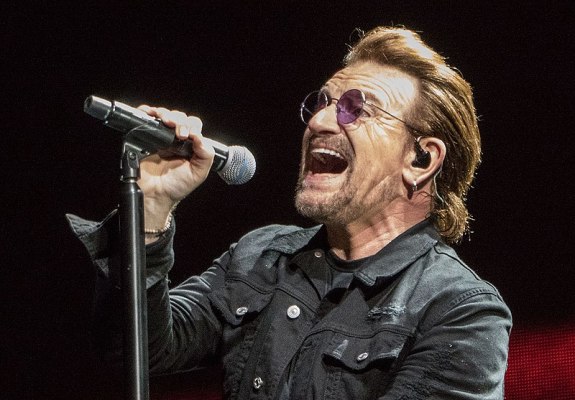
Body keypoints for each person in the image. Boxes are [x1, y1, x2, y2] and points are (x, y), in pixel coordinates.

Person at [69, 26, 512, 399]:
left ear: (421, 160)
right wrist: (152, 206)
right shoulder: (261, 257)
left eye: (355, 108)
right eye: (322, 103)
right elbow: (133, 347)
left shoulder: (460, 312)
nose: (319, 122)